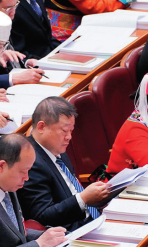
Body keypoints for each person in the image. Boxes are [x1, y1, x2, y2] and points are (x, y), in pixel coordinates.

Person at [18, 96, 110, 230]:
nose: (69, 137)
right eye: (64, 131)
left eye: (71, 131)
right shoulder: (30, 163)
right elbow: (42, 217)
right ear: (42, 127)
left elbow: (71, 188)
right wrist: (83, 198)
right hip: (71, 231)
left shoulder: (56, 147)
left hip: (93, 217)